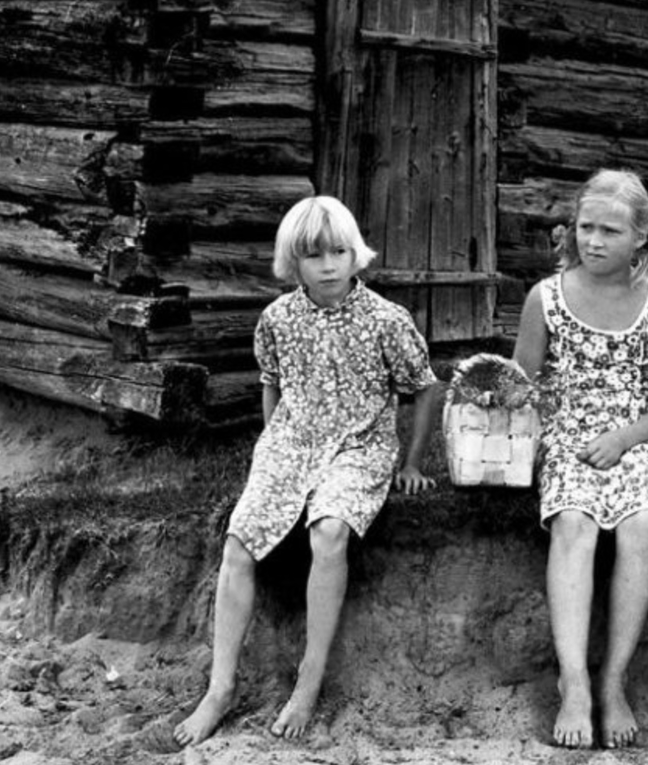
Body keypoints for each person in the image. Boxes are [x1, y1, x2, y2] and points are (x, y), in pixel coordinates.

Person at [173, 196, 441, 746]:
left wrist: (412, 461)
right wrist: (273, 450)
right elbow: (272, 385)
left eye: (339, 252)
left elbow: (426, 387)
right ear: (292, 261)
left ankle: (309, 678)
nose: (329, 266)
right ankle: (220, 687)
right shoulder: (277, 319)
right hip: (293, 442)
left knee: (329, 529)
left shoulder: (386, 320)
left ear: (355, 253)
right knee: (239, 542)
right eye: (314, 255)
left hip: (359, 445)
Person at [512, 169, 648, 749]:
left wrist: (623, 439)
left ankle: (614, 678)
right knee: (574, 520)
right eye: (586, 227)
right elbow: (521, 386)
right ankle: (573, 680)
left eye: (610, 232)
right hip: (568, 437)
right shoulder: (546, 298)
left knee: (643, 520)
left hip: (636, 439)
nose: (593, 241)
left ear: (641, 237)